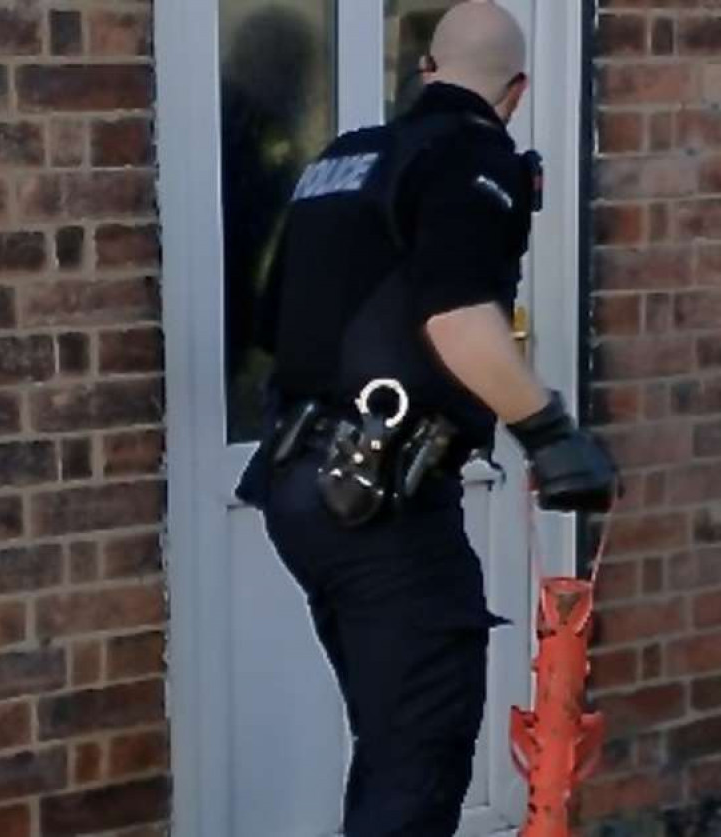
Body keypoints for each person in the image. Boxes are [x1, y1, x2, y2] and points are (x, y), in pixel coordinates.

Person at [237, 3, 616, 835]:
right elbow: (458, 320)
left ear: (425, 72)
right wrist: (553, 435)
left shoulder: (341, 160)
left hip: (305, 490)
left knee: (389, 740)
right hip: (383, 509)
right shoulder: (473, 157)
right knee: (419, 758)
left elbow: (272, 327)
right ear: (515, 94)